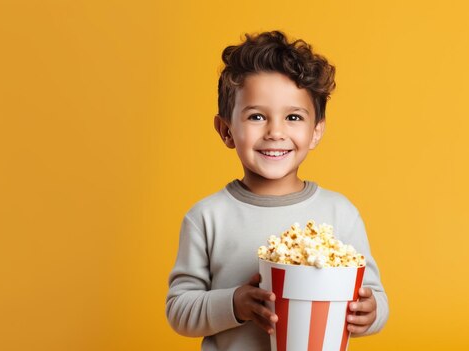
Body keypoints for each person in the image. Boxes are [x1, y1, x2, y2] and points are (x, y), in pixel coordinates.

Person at [165, 30, 389, 350]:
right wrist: (235, 304)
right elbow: (178, 310)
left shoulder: (340, 213)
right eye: (257, 116)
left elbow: (373, 296)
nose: (275, 132)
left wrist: (372, 312)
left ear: (315, 132)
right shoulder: (206, 218)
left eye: (293, 117)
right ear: (226, 130)